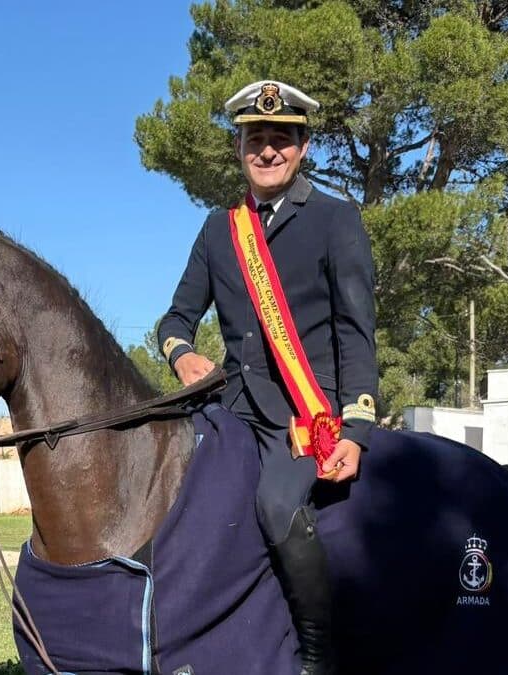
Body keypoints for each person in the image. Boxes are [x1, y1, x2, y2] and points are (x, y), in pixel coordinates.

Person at [158, 81, 378, 675]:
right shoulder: (218, 229)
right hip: (232, 404)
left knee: (278, 506)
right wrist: (181, 355)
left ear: (303, 147)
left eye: (281, 139)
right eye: (256, 139)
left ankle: (315, 653)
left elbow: (355, 331)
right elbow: (176, 318)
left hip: (308, 416)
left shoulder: (335, 219)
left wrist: (355, 428)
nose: (268, 151)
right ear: (239, 149)